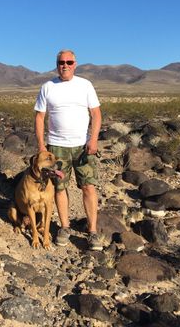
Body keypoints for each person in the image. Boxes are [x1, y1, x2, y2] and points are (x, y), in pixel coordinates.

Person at [34, 49, 103, 251]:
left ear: (75, 64)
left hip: (82, 146)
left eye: (69, 62)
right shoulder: (48, 87)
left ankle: (92, 231)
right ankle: (65, 227)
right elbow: (40, 117)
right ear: (57, 65)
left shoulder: (85, 85)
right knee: (59, 187)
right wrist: (41, 146)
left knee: (88, 186)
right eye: (61, 62)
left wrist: (94, 140)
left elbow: (96, 114)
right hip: (57, 147)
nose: (65, 65)